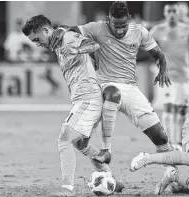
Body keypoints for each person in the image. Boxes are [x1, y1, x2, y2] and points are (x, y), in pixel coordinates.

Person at [49, 1, 173, 166]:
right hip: (103, 85)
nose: (120, 30)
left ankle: (173, 176)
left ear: (129, 18)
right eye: (116, 26)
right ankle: (106, 151)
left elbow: (158, 54)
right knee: (82, 135)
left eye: (123, 26)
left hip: (130, 88)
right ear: (109, 20)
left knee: (160, 136)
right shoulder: (97, 28)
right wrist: (62, 30)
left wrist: (162, 70)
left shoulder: (140, 32)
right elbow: (73, 29)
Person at [22, 15, 122, 197]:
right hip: (83, 98)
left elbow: (94, 45)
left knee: (64, 138)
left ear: (46, 30)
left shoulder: (66, 39)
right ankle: (110, 178)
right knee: (80, 142)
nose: (37, 44)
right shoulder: (59, 42)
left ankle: (67, 190)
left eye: (37, 39)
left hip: (88, 98)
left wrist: (75, 46)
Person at [149, 3, 189, 151]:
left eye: (174, 11)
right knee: (171, 107)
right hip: (168, 76)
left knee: (185, 109)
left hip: (186, 76)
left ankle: (181, 139)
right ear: (165, 13)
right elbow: (144, 44)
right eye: (169, 11)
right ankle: (171, 142)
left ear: (178, 14)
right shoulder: (158, 30)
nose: (171, 14)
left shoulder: (188, 29)